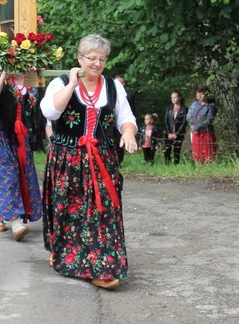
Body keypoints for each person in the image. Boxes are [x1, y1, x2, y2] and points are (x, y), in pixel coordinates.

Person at [40, 34, 137, 290]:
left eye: (102, 59)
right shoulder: (60, 83)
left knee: (103, 211)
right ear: (79, 58)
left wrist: (128, 133)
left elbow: (126, 118)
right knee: (67, 208)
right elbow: (50, 112)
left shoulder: (114, 87)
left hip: (102, 160)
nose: (96, 64)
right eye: (91, 58)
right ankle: (64, 252)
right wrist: (71, 84)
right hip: (67, 158)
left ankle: (102, 267)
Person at [0, 71, 43, 240]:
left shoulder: (32, 82)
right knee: (5, 177)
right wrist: (2, 77)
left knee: (21, 176)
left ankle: (1, 214)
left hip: (20, 137)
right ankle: (15, 222)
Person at [187, 86, 218, 164]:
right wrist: (192, 126)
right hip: (195, 133)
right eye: (198, 93)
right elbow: (188, 116)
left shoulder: (211, 106)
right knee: (197, 154)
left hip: (206, 133)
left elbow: (209, 119)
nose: (199, 95)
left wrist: (197, 127)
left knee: (208, 155)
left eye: (202, 94)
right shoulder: (194, 104)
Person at [163, 90, 188, 165]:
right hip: (169, 133)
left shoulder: (184, 109)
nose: (173, 99)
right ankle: (167, 165)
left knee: (177, 150)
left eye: (175, 97)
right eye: (172, 97)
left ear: (179, 98)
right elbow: (166, 121)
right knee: (167, 150)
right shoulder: (169, 108)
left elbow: (184, 122)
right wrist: (168, 133)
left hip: (179, 133)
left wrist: (177, 133)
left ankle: (176, 165)